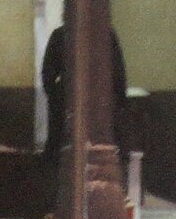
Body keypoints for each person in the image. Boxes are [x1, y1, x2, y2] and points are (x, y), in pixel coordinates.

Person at [39, 24, 130, 170]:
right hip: (99, 102)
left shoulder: (61, 35)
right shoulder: (105, 35)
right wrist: (118, 101)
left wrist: (57, 98)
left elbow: (47, 75)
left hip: (68, 103)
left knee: (61, 151)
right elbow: (118, 73)